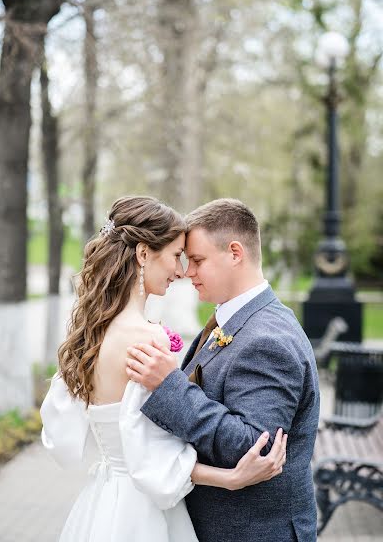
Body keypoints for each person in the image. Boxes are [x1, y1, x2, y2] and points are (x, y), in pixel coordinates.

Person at [40, 196, 287, 542]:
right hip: (143, 516)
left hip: (101, 500)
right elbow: (152, 458)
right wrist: (231, 478)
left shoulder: (90, 334)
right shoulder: (146, 338)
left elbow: (64, 438)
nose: (181, 270)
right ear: (143, 254)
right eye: (175, 256)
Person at [126, 198, 320, 542]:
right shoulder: (235, 319)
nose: (187, 272)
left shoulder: (267, 340)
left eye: (197, 260)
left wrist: (167, 386)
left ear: (235, 253)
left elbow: (254, 447)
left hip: (251, 531)